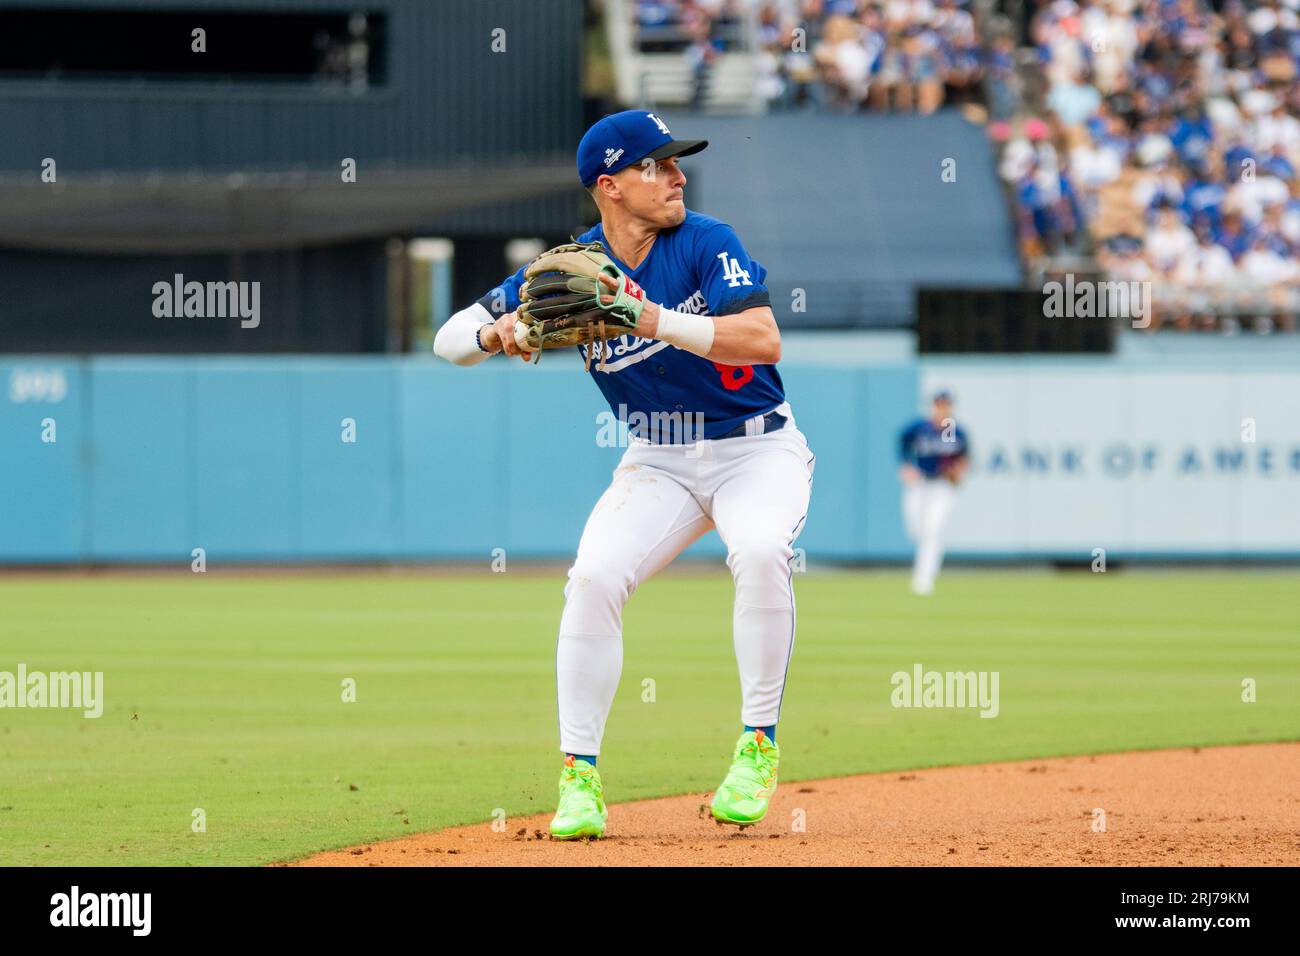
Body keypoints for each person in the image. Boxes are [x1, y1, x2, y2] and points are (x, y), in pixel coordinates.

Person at [433, 110, 816, 839]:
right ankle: (578, 779)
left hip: (755, 450)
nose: (676, 176)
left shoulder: (707, 240)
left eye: (676, 163)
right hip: (658, 459)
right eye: (657, 166)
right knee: (595, 577)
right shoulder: (569, 270)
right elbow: (447, 340)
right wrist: (498, 331)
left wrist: (649, 319)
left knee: (763, 551)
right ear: (609, 187)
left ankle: (757, 745)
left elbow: (763, 339)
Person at [898, 391, 968, 596]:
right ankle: (924, 572)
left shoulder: (957, 432)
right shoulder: (920, 428)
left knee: (932, 531)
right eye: (939, 405)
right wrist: (906, 466)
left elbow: (963, 458)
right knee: (916, 530)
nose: (942, 409)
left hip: (942, 487)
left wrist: (958, 471)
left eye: (946, 405)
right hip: (919, 484)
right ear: (933, 406)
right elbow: (902, 442)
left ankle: (924, 578)